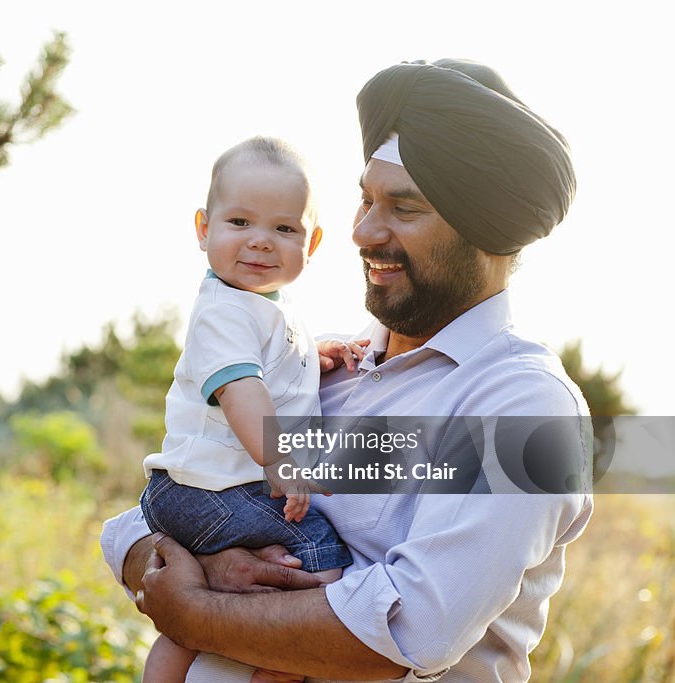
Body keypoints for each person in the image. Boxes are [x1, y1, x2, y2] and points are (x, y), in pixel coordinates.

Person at [100, 58, 594, 682]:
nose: (362, 232)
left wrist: (195, 608)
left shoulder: (526, 409)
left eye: (403, 208)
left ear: (486, 231)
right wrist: (210, 563)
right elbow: (137, 524)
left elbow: (407, 632)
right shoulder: (317, 363)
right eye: (364, 200)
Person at [138, 136, 366, 683]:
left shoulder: (262, 306)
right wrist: (279, 461)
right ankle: (278, 669)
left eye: (284, 229)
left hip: (200, 489)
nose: (261, 242)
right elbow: (242, 388)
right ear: (203, 229)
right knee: (321, 566)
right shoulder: (223, 311)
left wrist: (318, 357)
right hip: (212, 490)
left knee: (193, 615)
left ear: (310, 242)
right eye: (240, 222)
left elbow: (274, 368)